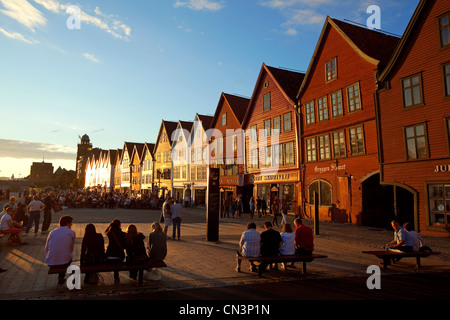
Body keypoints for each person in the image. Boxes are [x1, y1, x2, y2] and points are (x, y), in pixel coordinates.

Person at [44, 215, 75, 284]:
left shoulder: (52, 232)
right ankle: (63, 277)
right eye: (71, 223)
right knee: (66, 257)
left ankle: (61, 277)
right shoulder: (72, 233)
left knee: (61, 256)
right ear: (67, 223)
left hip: (51, 262)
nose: (71, 225)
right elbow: (71, 248)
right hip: (65, 262)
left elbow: (46, 248)